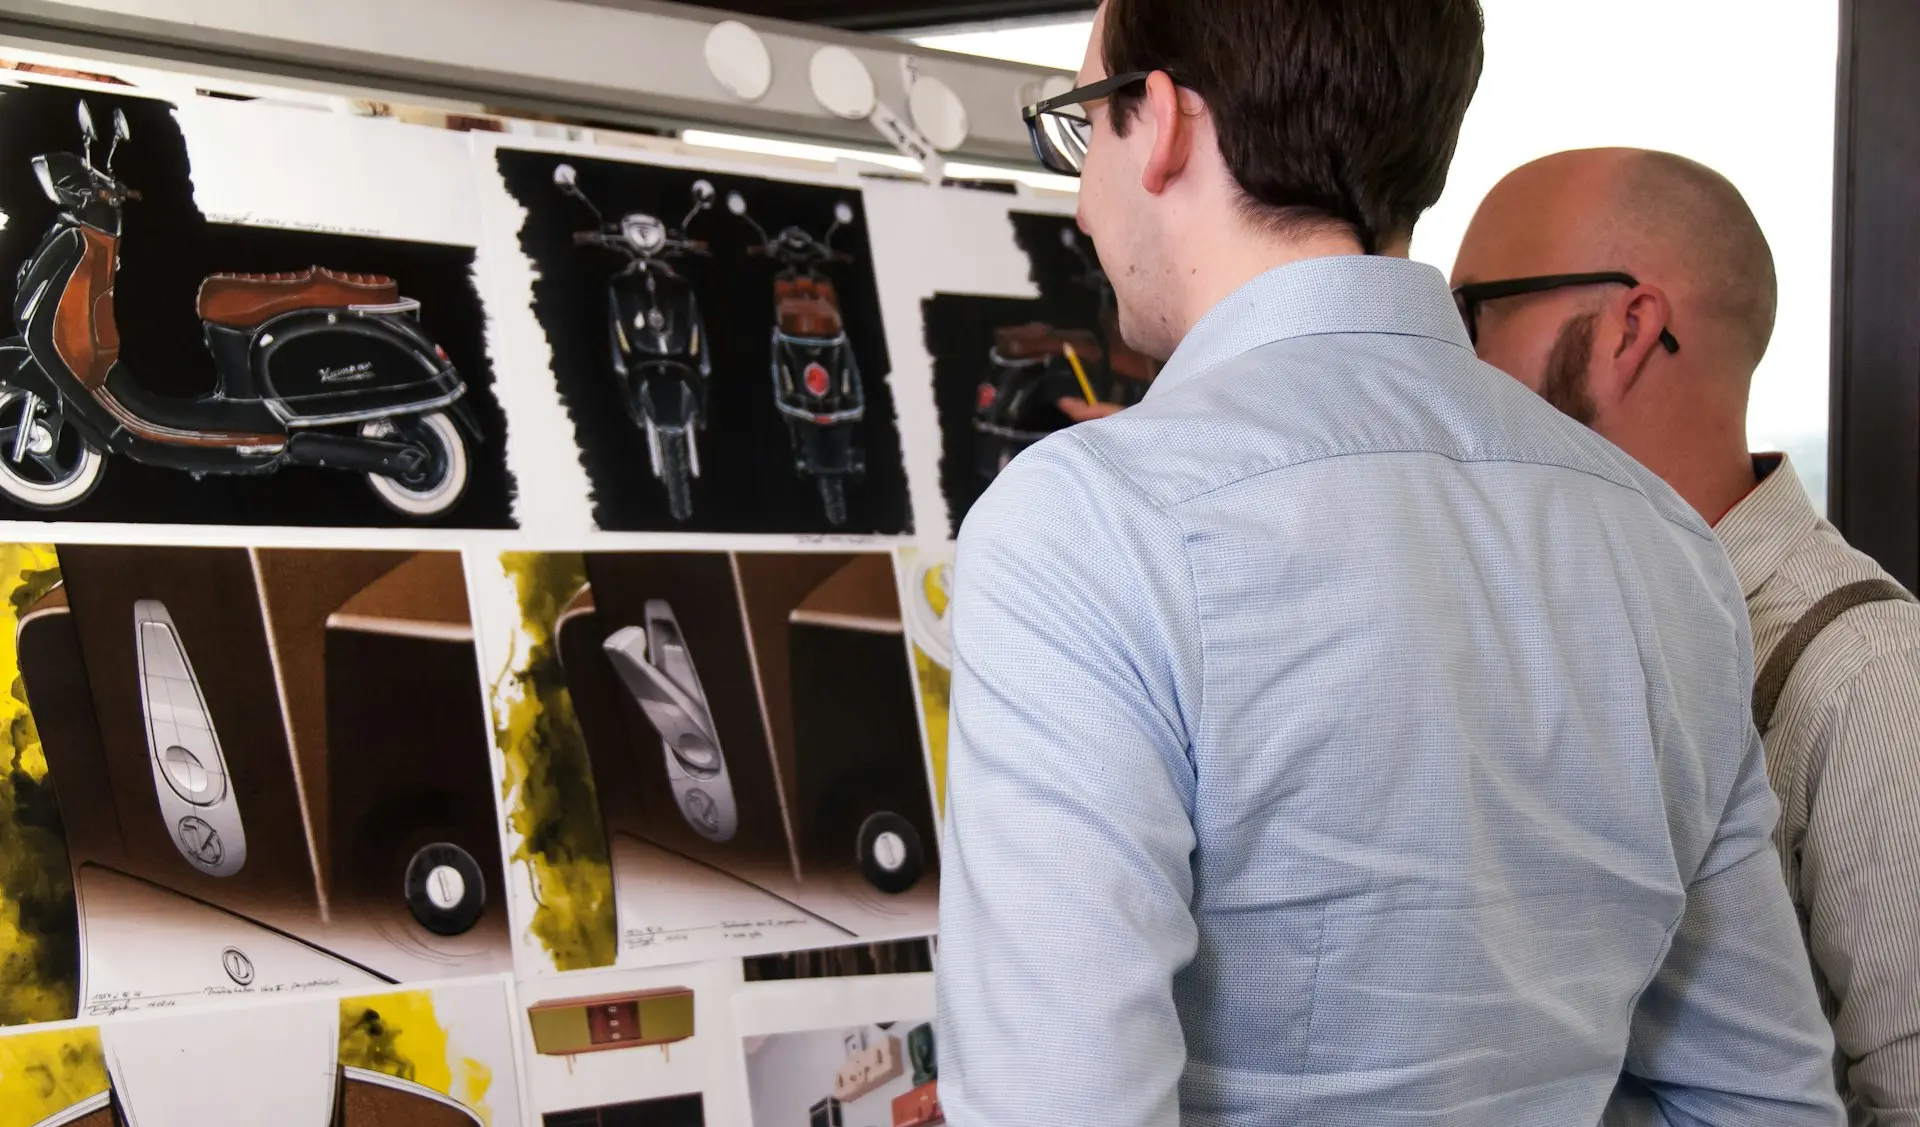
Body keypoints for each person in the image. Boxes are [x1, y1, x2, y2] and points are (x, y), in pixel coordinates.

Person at [932, 0, 1847, 1122]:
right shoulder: (1665, 545)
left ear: (1162, 122)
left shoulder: (1087, 525)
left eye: (1086, 125)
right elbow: (1763, 1100)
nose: (1080, 197)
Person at [1453, 146, 1920, 1125]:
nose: (1451, 361)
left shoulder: (1870, 675)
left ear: (1629, 327)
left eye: (1476, 312)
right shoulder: (1549, 630)